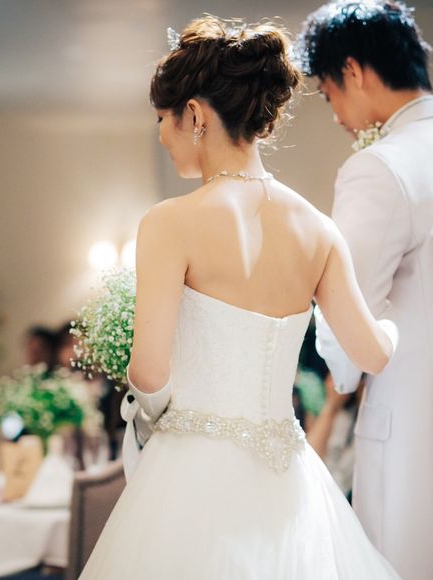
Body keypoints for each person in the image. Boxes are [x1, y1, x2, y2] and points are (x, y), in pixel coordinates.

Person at [80, 15, 400, 579]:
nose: (161, 135)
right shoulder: (319, 229)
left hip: (189, 474)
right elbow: (372, 354)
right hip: (288, 478)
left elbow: (149, 372)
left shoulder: (169, 222)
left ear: (194, 114)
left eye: (162, 119)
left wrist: (148, 421)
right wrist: (395, 326)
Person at [295, 2, 433, 579]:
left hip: (415, 446)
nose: (336, 116)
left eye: (328, 94)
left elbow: (346, 330)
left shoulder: (380, 168)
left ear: (353, 71)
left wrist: (340, 368)